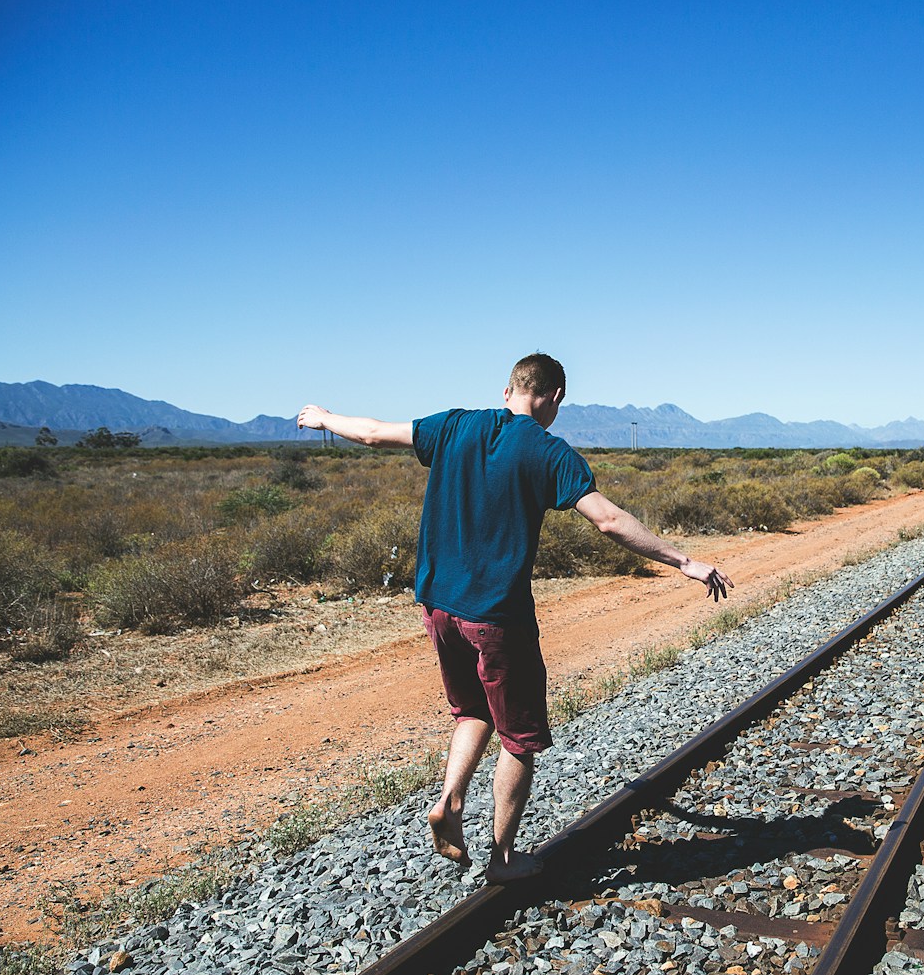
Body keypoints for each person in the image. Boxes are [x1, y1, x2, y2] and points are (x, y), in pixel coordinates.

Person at [296, 354, 732, 883]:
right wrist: (686, 562)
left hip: (439, 608)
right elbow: (610, 521)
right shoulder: (550, 451)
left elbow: (368, 434)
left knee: (471, 711)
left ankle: (451, 803)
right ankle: (503, 859)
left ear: (508, 390)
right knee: (520, 738)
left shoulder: (455, 425)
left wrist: (323, 416)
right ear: (555, 397)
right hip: (498, 617)